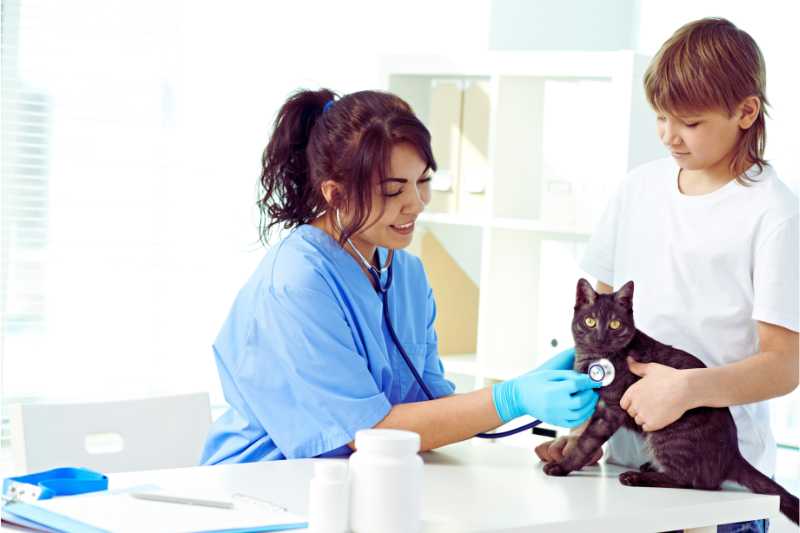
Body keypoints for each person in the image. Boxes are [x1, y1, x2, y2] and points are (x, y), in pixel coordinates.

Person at [201, 89, 600, 464]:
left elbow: (429, 409)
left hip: (367, 481)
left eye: (423, 181)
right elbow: (366, 432)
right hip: (263, 486)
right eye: (394, 190)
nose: (416, 203)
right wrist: (511, 398)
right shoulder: (296, 283)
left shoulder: (405, 273)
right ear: (335, 194)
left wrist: (532, 389)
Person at [535, 17, 799, 533]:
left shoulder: (775, 213)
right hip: (621, 476)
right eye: (660, 117)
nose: (669, 136)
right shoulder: (638, 188)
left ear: (746, 111)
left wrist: (688, 390)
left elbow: (786, 365)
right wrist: (585, 430)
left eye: (691, 122)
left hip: (717, 493)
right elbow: (600, 331)